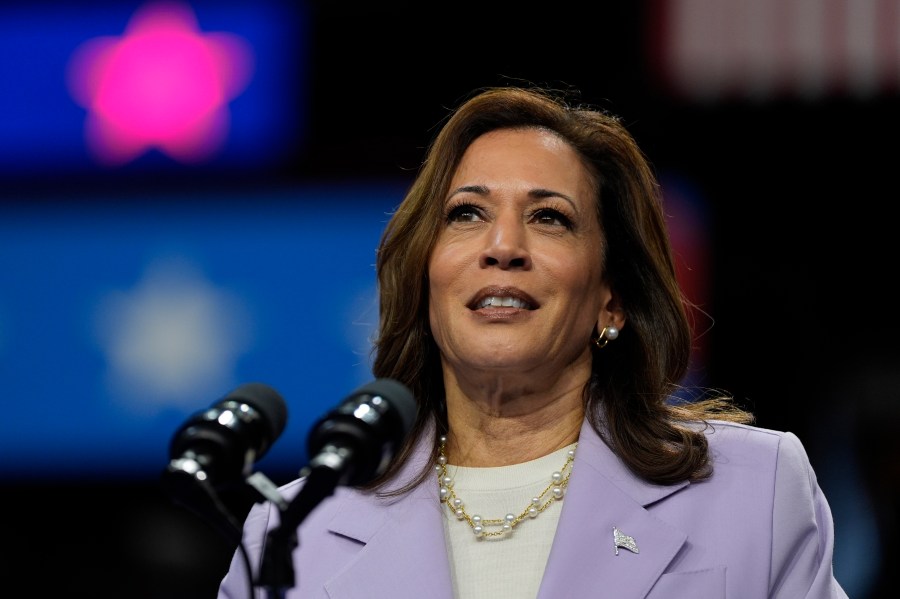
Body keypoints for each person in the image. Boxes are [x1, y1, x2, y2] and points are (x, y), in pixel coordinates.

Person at [217, 85, 848, 598]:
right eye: (467, 213)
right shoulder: (294, 531)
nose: (502, 247)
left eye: (550, 218)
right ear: (425, 275)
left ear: (613, 297)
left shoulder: (753, 491)